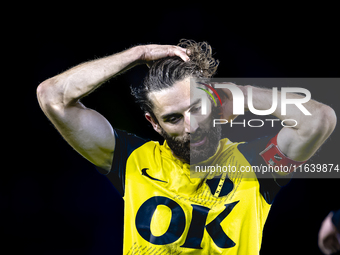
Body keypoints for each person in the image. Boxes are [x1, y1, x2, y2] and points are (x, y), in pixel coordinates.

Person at [37, 40, 336, 254]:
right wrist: (138, 54)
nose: (191, 127)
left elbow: (320, 119)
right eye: (173, 118)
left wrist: (241, 94)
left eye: (196, 108)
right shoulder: (131, 160)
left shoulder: (256, 167)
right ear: (154, 124)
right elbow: (53, 96)